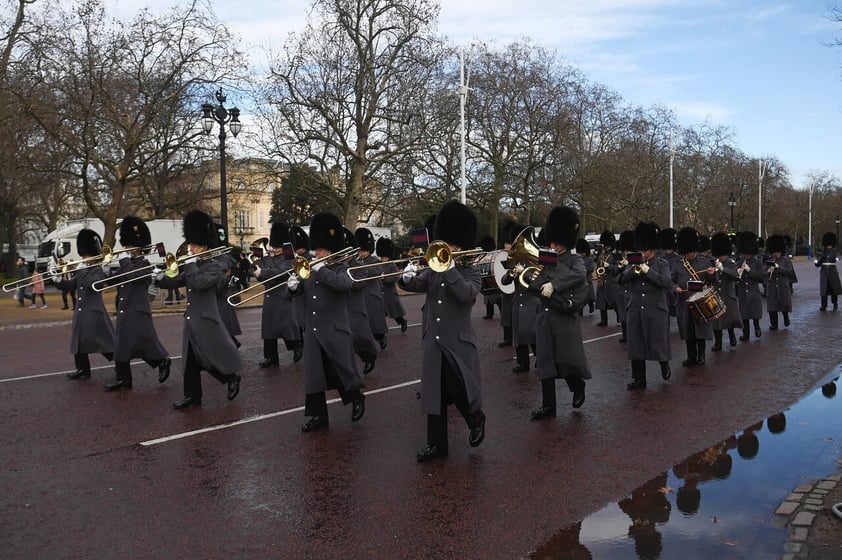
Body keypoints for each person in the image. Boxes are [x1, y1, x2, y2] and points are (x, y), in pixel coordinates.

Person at [400, 200, 485, 461]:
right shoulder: (434, 270)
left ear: (460, 245)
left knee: (458, 389)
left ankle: (475, 419)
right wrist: (406, 277)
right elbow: (418, 284)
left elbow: (465, 295)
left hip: (457, 343)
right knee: (433, 393)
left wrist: (449, 270)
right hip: (434, 342)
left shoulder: (471, 272)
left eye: (451, 244)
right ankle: (437, 444)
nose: (445, 247)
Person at [287, 212, 366, 432]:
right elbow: (302, 290)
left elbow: (343, 285)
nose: (317, 253)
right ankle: (318, 416)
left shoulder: (343, 268)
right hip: (313, 330)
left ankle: (356, 397)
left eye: (320, 250)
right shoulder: (311, 268)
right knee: (314, 375)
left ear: (330, 250)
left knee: (340, 370)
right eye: (317, 249)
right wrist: (293, 286)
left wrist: (321, 270)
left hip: (334, 328)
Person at [159, 210, 242, 409]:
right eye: (191, 244)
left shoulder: (214, 266)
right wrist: (159, 278)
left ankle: (231, 378)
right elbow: (178, 280)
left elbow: (200, 283)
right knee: (190, 361)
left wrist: (190, 265)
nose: (191, 248)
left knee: (209, 357)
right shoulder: (193, 264)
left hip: (206, 319)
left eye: (194, 245)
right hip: (192, 318)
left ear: (204, 245)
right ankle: (192, 396)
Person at [525, 206, 591, 418]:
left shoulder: (575, 260)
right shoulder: (546, 257)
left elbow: (579, 276)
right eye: (552, 242)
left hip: (563, 317)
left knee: (564, 359)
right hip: (545, 315)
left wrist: (555, 285)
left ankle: (577, 385)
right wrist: (522, 275)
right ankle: (548, 405)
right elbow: (536, 280)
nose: (553, 246)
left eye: (557, 242)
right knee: (544, 360)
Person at [102, 216, 172, 391]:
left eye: (129, 246)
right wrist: (104, 271)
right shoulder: (128, 264)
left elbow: (134, 275)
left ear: (138, 248)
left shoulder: (145, 264)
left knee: (144, 343)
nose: (125, 249)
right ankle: (123, 379)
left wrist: (124, 260)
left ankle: (162, 360)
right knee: (121, 346)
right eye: (126, 246)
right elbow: (114, 281)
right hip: (125, 309)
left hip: (138, 310)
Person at [619, 221, 672, 390]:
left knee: (658, 341)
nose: (643, 252)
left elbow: (665, 282)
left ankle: (664, 364)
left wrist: (647, 271)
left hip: (655, 308)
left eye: (646, 249)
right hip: (636, 308)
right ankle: (639, 378)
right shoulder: (634, 263)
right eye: (641, 249)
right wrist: (632, 270)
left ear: (653, 249)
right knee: (636, 343)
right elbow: (621, 280)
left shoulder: (662, 264)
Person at [56, 229, 115, 379]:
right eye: (83, 255)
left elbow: (94, 285)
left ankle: (120, 362)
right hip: (81, 312)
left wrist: (84, 271)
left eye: (86, 256)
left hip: (94, 313)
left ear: (94, 257)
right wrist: (57, 280)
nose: (83, 258)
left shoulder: (98, 271)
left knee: (103, 342)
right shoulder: (82, 271)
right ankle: (82, 369)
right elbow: (71, 285)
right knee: (78, 341)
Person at [254, 221, 302, 367]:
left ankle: (296, 346)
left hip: (283, 296)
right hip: (270, 295)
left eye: (278, 246)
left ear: (284, 245)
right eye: (274, 246)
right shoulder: (271, 258)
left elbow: (280, 272)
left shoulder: (290, 259)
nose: (275, 248)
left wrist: (262, 272)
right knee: (269, 329)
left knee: (285, 327)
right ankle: (271, 357)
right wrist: (258, 269)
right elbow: (266, 274)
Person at [671, 227, 715, 367]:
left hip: (700, 301)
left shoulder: (704, 262)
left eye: (691, 251)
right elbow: (670, 280)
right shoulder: (678, 264)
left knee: (700, 330)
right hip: (684, 302)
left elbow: (712, 281)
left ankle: (701, 355)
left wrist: (712, 274)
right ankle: (691, 357)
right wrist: (674, 288)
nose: (689, 254)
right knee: (687, 330)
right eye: (687, 252)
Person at [500, 226, 540, 373]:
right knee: (519, 337)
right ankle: (523, 363)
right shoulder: (515, 264)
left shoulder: (534, 262)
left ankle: (540, 359)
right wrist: (511, 273)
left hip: (531, 303)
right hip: (518, 303)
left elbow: (537, 281)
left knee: (534, 334)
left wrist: (524, 272)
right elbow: (504, 281)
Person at [345, 228, 379, 374]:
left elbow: (359, 284)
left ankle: (369, 356)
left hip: (355, 308)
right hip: (338, 309)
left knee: (359, 339)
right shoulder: (334, 267)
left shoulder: (359, 267)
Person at [354, 227, 388, 350]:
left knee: (376, 320)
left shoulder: (374, 260)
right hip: (361, 295)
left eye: (364, 251)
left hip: (372, 294)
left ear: (369, 250)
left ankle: (381, 337)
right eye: (360, 251)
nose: (361, 253)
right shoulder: (356, 261)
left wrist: (362, 269)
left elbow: (377, 271)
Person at [709, 232, 742, 350]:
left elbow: (734, 274)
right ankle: (718, 343)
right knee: (716, 322)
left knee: (729, 320)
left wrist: (723, 269)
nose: (721, 257)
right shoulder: (713, 263)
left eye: (723, 255)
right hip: (716, 296)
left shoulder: (731, 264)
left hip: (728, 295)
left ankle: (732, 336)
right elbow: (711, 280)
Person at [735, 231, 764, 340]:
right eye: (743, 253)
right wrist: (738, 274)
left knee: (754, 313)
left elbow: (761, 277)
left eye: (746, 253)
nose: (745, 255)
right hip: (742, 292)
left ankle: (757, 328)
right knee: (744, 315)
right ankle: (745, 334)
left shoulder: (757, 263)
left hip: (753, 292)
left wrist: (749, 270)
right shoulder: (739, 262)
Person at [375, 236, 408, 332]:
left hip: (389, 292)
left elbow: (396, 277)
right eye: (382, 257)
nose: (383, 258)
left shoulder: (392, 265)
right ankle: (381, 329)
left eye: (385, 257)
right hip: (380, 292)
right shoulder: (377, 264)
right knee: (380, 313)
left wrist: (385, 278)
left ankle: (402, 321)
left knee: (394, 312)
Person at [765, 234, 796, 330]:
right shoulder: (769, 260)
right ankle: (774, 324)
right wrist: (768, 271)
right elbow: (763, 272)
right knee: (772, 306)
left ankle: (786, 318)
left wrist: (779, 268)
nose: (776, 254)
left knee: (784, 304)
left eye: (777, 252)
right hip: (772, 286)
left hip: (783, 285)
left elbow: (789, 272)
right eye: (774, 252)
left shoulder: (786, 261)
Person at [815, 231, 841, 311]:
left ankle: (835, 303)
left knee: (834, 289)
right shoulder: (823, 251)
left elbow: (838, 257)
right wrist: (816, 261)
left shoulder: (835, 250)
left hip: (832, 271)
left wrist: (837, 258)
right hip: (824, 272)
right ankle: (824, 305)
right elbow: (818, 264)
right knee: (824, 290)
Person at [575, 238, 595, 315]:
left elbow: (591, 268)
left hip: (587, 280)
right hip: (580, 281)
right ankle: (580, 311)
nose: (582, 254)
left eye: (583, 252)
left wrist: (583, 269)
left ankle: (591, 305)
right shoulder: (577, 258)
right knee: (580, 297)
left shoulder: (589, 259)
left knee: (588, 297)